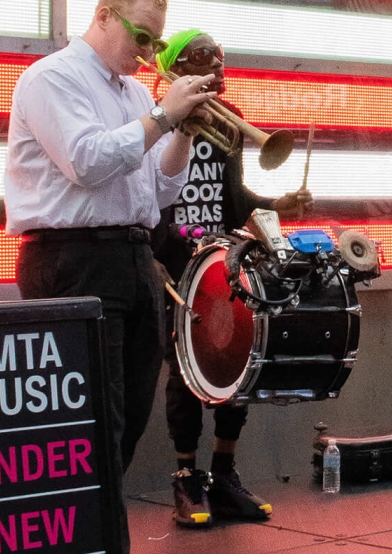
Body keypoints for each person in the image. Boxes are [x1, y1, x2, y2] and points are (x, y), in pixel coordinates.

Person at [4, 1, 215, 554]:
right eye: (142, 37)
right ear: (103, 14)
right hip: (71, 258)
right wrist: (164, 116)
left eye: (156, 41)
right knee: (94, 421)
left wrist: (182, 133)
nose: (150, 53)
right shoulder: (52, 78)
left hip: (131, 256)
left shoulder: (129, 95)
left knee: (124, 422)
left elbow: (161, 188)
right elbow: (88, 162)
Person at [149, 30, 314, 528]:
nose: (214, 77)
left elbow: (232, 199)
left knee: (236, 365)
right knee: (184, 371)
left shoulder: (231, 122)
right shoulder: (151, 119)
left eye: (218, 68)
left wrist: (277, 205)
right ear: (176, 71)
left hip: (221, 261)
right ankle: (186, 478)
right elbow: (142, 191)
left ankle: (223, 474)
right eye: (203, 66)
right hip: (172, 261)